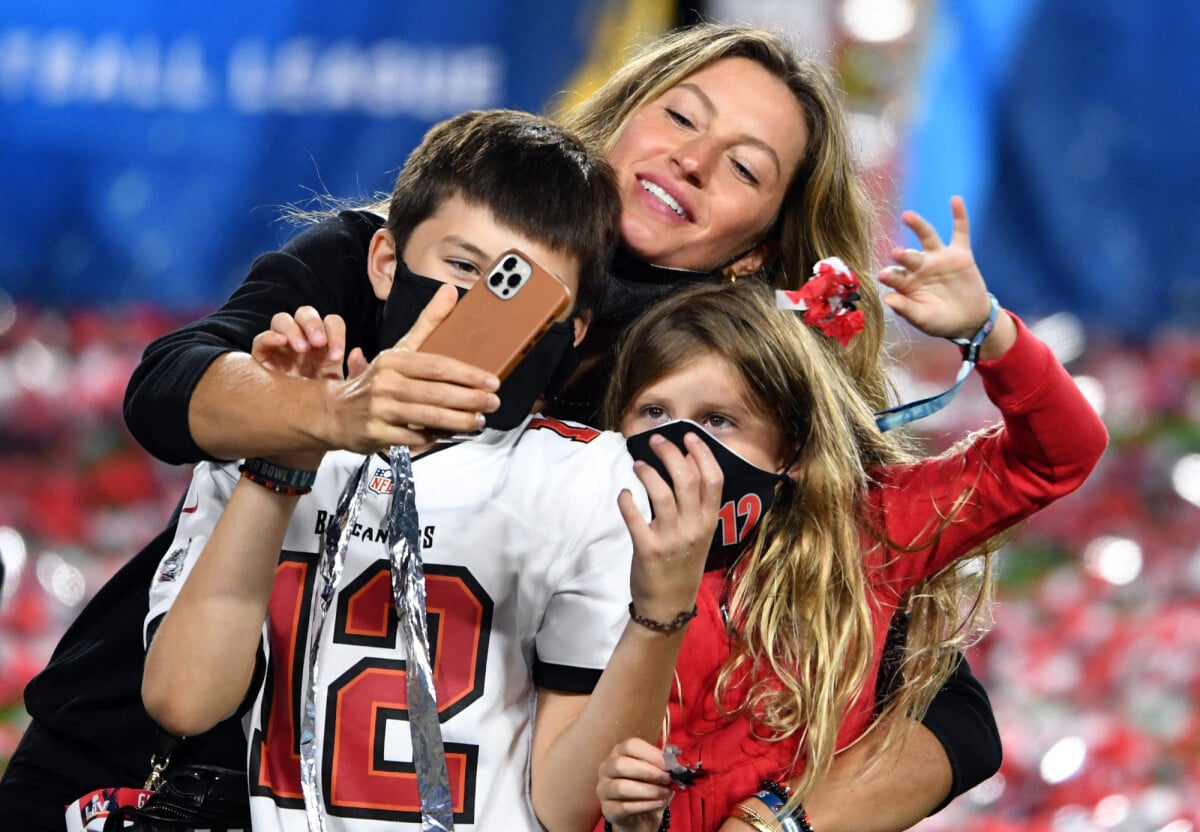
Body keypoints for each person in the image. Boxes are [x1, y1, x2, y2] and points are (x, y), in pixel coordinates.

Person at [1, 24, 998, 831]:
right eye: (677, 115)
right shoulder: (405, 254)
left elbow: (948, 713)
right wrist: (321, 414)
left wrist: (781, 825)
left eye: (741, 166)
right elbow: (170, 387)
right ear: (620, 115)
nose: (689, 160)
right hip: (148, 755)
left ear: (761, 251)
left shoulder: (743, 403)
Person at [138, 107, 724, 832]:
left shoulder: (589, 480)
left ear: (572, 330)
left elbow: (566, 805)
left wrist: (660, 614)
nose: (481, 307)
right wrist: (284, 459)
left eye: (521, 291)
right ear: (385, 262)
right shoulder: (276, 410)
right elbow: (183, 703)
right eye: (461, 268)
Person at [593, 199, 1109, 831]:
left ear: (796, 452)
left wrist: (989, 331)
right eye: (653, 413)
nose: (678, 443)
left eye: (718, 420)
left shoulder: (867, 532)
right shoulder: (585, 545)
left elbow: (1056, 457)